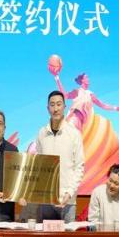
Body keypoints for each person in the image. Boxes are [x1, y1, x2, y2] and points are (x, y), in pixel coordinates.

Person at [36, 91, 84, 223]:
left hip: (68, 201)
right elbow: (39, 165)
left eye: (59, 104)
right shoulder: (41, 133)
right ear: (48, 108)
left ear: (64, 107)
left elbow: (79, 167)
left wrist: (69, 193)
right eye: (52, 105)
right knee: (46, 236)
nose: (55, 108)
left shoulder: (74, 133)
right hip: (46, 199)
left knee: (68, 236)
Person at [54, 71, 119, 132]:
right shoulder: (77, 91)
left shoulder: (90, 94)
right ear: (82, 80)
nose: (88, 79)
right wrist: (57, 77)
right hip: (74, 117)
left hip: (81, 123)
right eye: (86, 77)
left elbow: (103, 105)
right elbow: (64, 95)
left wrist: (115, 108)